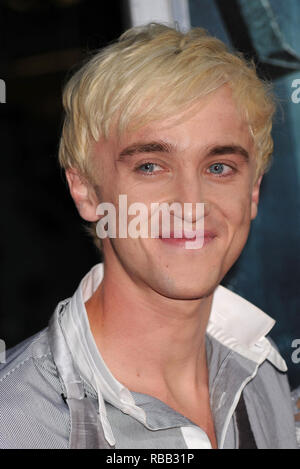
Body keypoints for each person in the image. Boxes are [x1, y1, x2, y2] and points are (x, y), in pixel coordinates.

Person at [0, 23, 298, 449]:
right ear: (84, 190)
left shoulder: (260, 373)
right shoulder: (17, 423)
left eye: (219, 167)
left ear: (252, 192)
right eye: (150, 166)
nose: (191, 203)